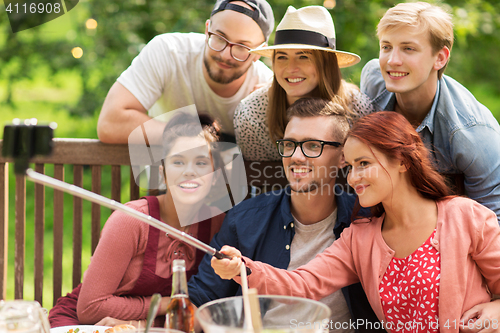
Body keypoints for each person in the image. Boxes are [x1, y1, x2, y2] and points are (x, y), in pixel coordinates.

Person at [212, 111, 500, 333]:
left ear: (402, 161)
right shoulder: (359, 239)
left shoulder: (467, 217)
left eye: (364, 164)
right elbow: (302, 284)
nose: (352, 178)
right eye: (350, 167)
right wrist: (243, 268)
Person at [189, 98, 384, 333]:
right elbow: (199, 302)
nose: (296, 157)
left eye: (312, 146)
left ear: (343, 156)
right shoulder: (245, 220)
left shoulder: (367, 221)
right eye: (290, 144)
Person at [48, 113, 225, 327]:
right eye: (178, 162)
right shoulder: (132, 220)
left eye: (201, 162)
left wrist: (139, 324)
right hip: (87, 325)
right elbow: (90, 308)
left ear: (215, 176)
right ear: (162, 173)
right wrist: (166, 304)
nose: (190, 172)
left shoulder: (218, 223)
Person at [360, 2, 500, 219]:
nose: (392, 61)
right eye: (386, 47)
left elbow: (493, 221)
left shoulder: (472, 133)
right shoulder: (373, 79)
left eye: (408, 48)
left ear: (440, 58)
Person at [97, 0, 274, 145]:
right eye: (220, 38)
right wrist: (189, 138)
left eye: (242, 47)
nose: (225, 54)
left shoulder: (268, 89)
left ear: (259, 52)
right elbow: (109, 123)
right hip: (166, 183)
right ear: (206, 30)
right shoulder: (168, 52)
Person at [233, 5, 375, 161]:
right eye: (282, 57)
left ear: (326, 64)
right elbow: (257, 178)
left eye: (303, 57)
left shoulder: (357, 109)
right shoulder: (251, 115)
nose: (291, 68)